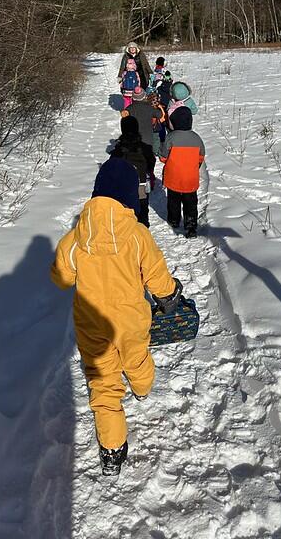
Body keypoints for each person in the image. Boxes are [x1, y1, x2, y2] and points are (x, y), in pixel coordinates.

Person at [50, 157, 183, 476]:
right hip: (131, 322)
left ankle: (112, 451)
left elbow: (62, 279)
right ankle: (142, 388)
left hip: (92, 326)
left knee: (103, 384)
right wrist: (169, 295)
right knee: (137, 358)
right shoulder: (138, 236)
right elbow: (157, 277)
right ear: (127, 198)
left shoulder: (75, 239)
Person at [160, 106, 205, 238]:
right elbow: (201, 156)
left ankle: (174, 220)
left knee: (173, 200)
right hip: (190, 178)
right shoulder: (197, 138)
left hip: (173, 177)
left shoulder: (171, 137)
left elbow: (163, 157)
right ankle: (191, 226)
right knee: (190, 202)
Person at [110, 116, 155, 227]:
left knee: (125, 208)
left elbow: (112, 166)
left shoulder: (118, 149)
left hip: (124, 185)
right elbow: (151, 163)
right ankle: (143, 229)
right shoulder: (145, 147)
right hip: (142, 182)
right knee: (143, 206)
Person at [122, 87, 158, 155]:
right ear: (144, 96)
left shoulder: (130, 108)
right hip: (148, 140)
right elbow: (160, 115)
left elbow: (124, 115)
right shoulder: (149, 107)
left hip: (135, 139)